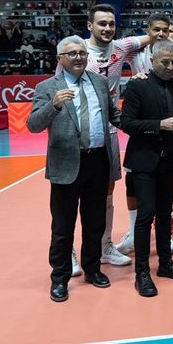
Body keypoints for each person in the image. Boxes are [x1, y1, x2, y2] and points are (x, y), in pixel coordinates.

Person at [27, 36, 120, 302]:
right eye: (72, 53)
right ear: (60, 59)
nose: (78, 57)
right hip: (66, 163)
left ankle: (93, 269)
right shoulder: (47, 87)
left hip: (97, 161)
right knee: (63, 226)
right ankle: (59, 278)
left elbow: (114, 115)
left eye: (82, 52)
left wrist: (143, 123)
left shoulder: (99, 82)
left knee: (95, 222)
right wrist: (53, 105)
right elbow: (33, 124)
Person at [81, 4, 152, 269]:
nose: (108, 28)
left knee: (108, 189)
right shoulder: (78, 50)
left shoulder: (120, 47)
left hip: (110, 130)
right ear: (90, 26)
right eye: (102, 23)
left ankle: (105, 246)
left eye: (111, 23)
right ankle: (77, 250)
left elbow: (155, 35)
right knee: (79, 191)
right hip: (83, 132)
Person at [119, 40, 173, 297]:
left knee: (164, 214)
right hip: (144, 162)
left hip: (170, 160)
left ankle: (165, 263)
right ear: (152, 61)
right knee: (145, 215)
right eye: (165, 62)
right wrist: (160, 124)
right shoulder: (137, 85)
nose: (170, 66)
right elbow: (126, 123)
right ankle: (141, 272)